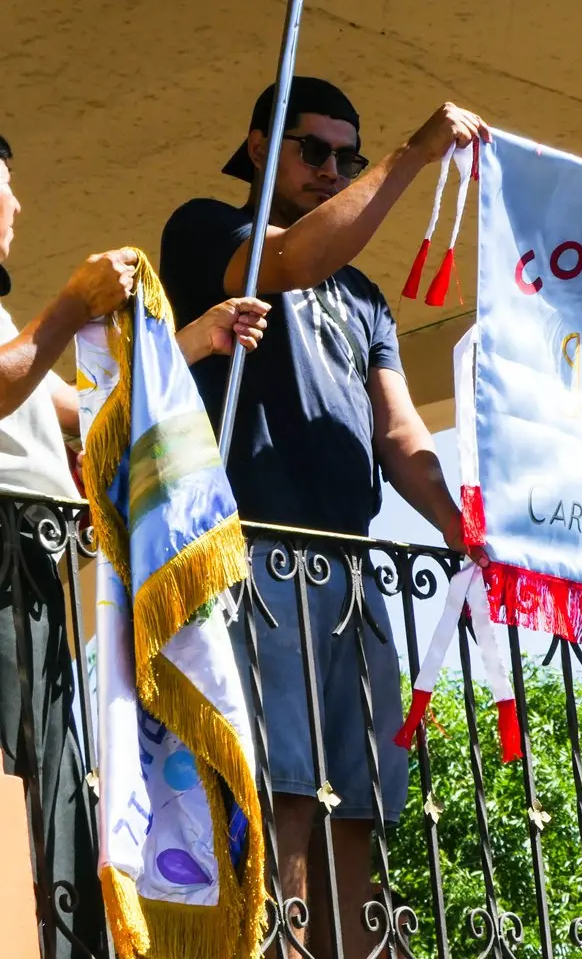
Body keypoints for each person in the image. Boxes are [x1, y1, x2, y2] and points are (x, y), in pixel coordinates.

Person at [158, 78, 491, 959]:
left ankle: (352, 946)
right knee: (288, 789)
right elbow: (292, 260)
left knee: (365, 789)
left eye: (347, 154)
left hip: (350, 569)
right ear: (263, 148)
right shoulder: (205, 230)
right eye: (315, 151)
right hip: (258, 557)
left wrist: (460, 526)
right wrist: (413, 155)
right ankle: (283, 945)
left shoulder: (366, 299)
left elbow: (399, 426)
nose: (332, 169)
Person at [0, 133, 268, 959]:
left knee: (45, 794)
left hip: (32, 572)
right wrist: (74, 306)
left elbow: (68, 413)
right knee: (9, 778)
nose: (14, 208)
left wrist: (189, 343)